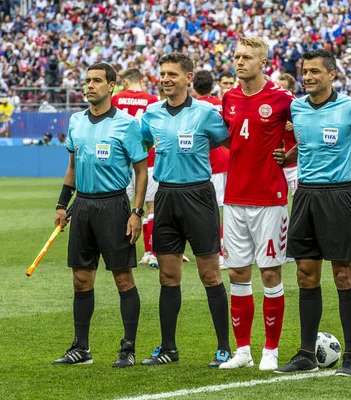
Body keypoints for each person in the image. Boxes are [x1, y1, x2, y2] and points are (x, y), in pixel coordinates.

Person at [273, 49, 351, 376]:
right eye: (305, 71)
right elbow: (307, 143)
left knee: (343, 274)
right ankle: (306, 353)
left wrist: (350, 157)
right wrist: (289, 154)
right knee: (305, 273)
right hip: (304, 195)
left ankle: (350, 356)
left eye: (315, 72)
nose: (308, 77)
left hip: (336, 196)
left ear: (332, 75)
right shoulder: (297, 107)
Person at [138, 53, 232, 368]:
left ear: (188, 78)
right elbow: (140, 146)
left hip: (199, 196)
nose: (165, 79)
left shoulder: (206, 113)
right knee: (168, 276)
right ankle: (168, 347)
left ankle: (223, 348)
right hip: (166, 196)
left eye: (172, 74)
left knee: (210, 274)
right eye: (162, 73)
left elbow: (229, 141)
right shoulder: (151, 114)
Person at [52, 62, 148, 368]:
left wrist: (137, 211)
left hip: (114, 206)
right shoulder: (76, 122)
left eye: (96, 81)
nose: (89, 85)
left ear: (111, 86)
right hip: (83, 205)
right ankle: (81, 348)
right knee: (81, 280)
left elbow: (141, 171)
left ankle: (128, 347)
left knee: (123, 278)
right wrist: (61, 204)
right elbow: (71, 167)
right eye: (87, 80)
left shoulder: (127, 124)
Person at [218, 36, 294, 371]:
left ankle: (270, 350)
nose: (239, 62)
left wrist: (289, 151)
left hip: (270, 198)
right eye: (237, 56)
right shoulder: (229, 98)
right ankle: (244, 350)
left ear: (263, 62)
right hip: (234, 197)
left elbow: (303, 131)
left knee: (270, 272)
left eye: (247, 57)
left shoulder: (282, 99)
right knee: (237, 271)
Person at [111, 68, 167, 268]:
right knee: (151, 206)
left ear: (125, 82)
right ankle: (150, 252)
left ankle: (119, 251)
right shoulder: (152, 100)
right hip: (147, 160)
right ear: (140, 80)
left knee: (121, 206)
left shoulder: (116, 99)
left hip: (122, 163)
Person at [193, 70, 230, 268]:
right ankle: (229, 249)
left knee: (213, 210)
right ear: (214, 85)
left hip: (211, 162)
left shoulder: (194, 107)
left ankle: (221, 251)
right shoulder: (223, 103)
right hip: (228, 158)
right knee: (228, 208)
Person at [275, 72, 299, 196]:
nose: (277, 90)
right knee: (278, 202)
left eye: (281, 88)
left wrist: (295, 126)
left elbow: (311, 131)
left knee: (299, 201)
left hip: (295, 164)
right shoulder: (271, 107)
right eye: (276, 87)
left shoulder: (299, 108)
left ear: (290, 90)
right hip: (278, 163)